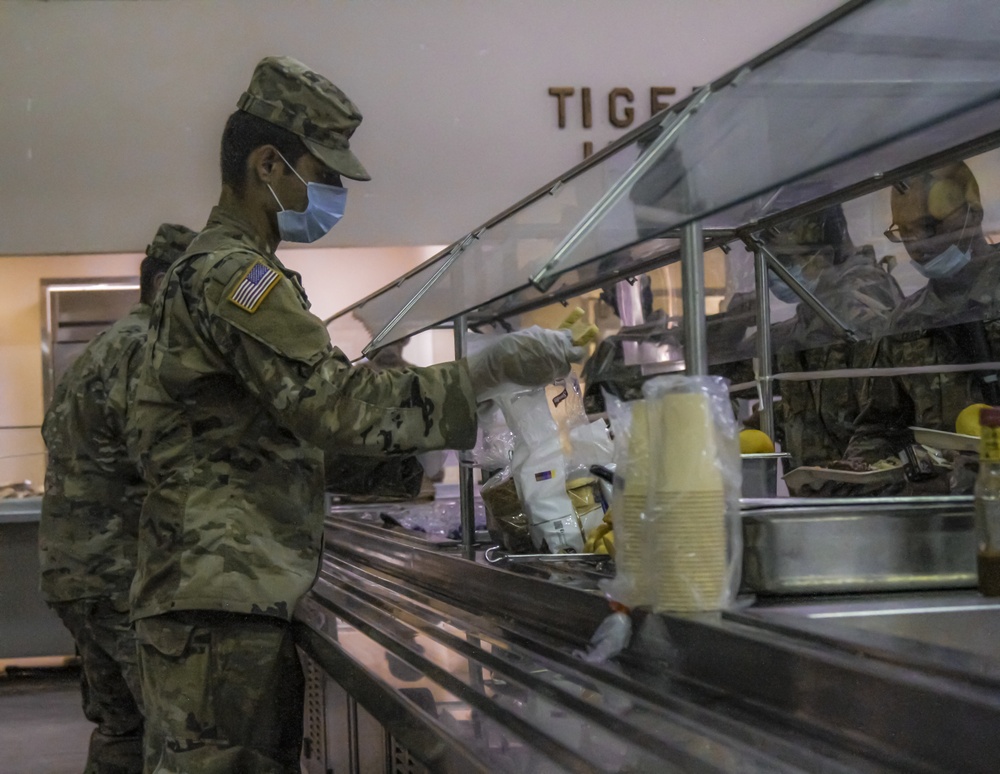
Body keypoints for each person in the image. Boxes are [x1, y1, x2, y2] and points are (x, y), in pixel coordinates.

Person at [129, 55, 581, 773]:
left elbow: (278, 435)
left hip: (223, 595)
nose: (332, 192)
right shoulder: (234, 277)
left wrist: (416, 460)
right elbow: (332, 408)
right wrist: (481, 373)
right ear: (270, 164)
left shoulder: (232, 273)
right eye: (323, 172)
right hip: (219, 604)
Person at [38, 222, 197, 774]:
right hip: (121, 576)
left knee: (121, 728)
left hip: (77, 574)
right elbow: (170, 461)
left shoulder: (99, 349)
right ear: (171, 286)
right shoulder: (146, 350)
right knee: (169, 735)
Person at [844, 161, 1000, 493]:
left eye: (930, 227)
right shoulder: (905, 323)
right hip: (943, 508)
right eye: (905, 232)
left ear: (972, 214)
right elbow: (880, 427)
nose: (918, 245)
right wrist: (852, 477)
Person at [718, 205, 903, 476]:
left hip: (863, 497)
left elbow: (883, 420)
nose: (773, 273)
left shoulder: (858, 309)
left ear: (822, 256)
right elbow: (835, 403)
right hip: (825, 493)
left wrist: (841, 480)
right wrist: (781, 417)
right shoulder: (815, 311)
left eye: (784, 259)